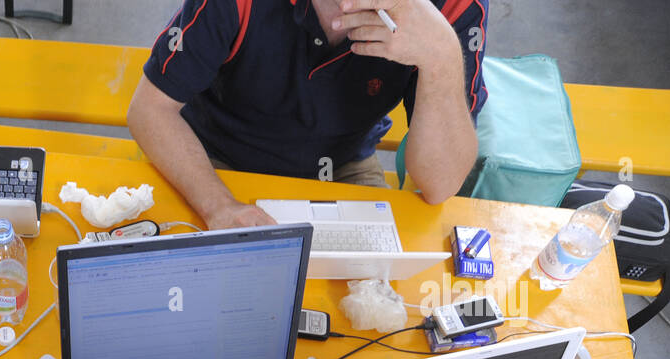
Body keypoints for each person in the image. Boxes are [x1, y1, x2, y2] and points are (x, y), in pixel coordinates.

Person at [127, 0, 489, 229]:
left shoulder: (454, 6)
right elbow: (150, 110)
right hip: (216, 159)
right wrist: (218, 205)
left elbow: (440, 184)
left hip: (346, 164)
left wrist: (441, 55)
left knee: (379, 304)